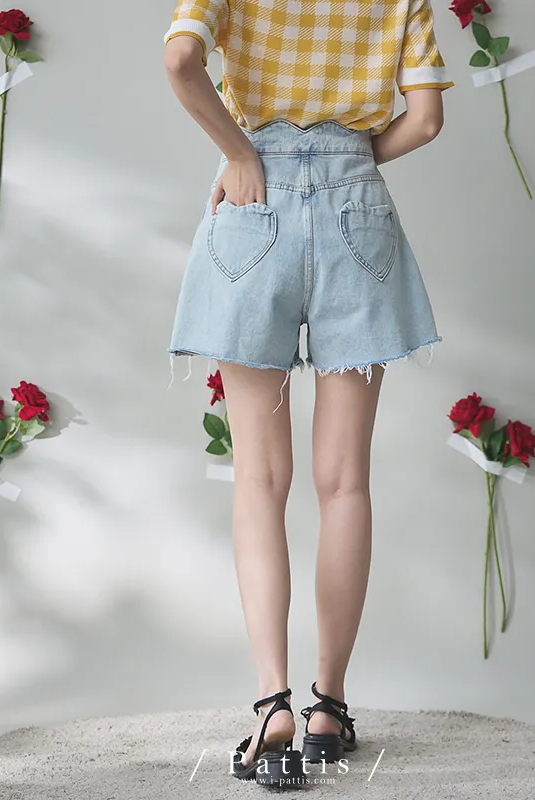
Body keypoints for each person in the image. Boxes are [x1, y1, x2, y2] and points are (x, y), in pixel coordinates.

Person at [162, 0, 452, 787]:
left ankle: (272, 707)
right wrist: (349, 160)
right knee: (345, 481)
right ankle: (329, 709)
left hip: (252, 206)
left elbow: (181, 59)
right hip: (359, 205)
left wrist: (240, 152)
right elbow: (426, 120)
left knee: (259, 479)